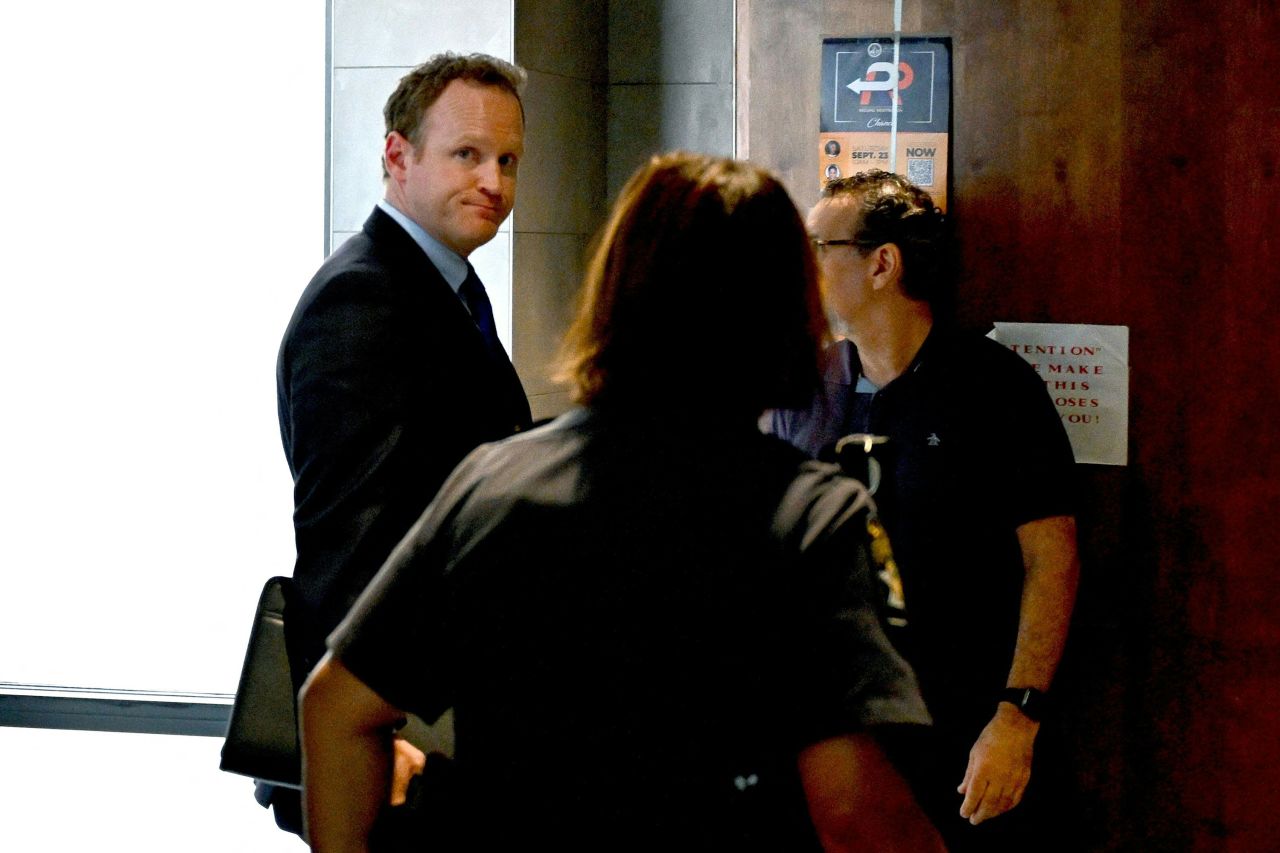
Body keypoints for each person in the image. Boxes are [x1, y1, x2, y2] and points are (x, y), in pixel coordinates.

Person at [299, 153, 946, 851]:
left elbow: (334, 707)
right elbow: (851, 808)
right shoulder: (806, 516)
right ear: (782, 310)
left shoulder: (493, 485)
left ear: (613, 293)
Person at [771, 170, 1080, 851]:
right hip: (834, 744)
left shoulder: (994, 387)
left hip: (964, 736)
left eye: (818, 244)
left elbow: (1051, 559)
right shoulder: (800, 391)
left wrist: (1018, 717)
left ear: (882, 263)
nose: (802, 264)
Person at [269, 52, 533, 834]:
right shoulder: (364, 300)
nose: (494, 182)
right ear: (397, 156)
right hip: (397, 738)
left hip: (433, 718)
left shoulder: (435, 287)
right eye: (467, 154)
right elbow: (349, 536)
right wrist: (372, 729)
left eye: (508, 160)